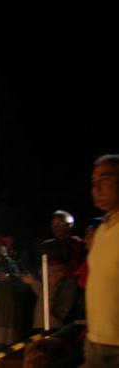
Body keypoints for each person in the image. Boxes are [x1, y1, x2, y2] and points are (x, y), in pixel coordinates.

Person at [83, 154, 119, 367]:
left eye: (104, 178)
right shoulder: (102, 231)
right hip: (95, 340)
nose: (96, 187)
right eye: (93, 181)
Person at [40, 210, 85, 275]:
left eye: (59, 223)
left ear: (70, 225)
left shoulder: (79, 243)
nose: (55, 227)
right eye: (53, 224)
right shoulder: (47, 245)